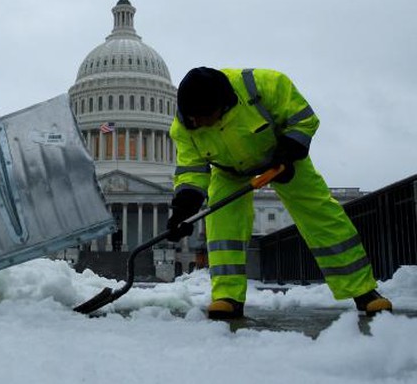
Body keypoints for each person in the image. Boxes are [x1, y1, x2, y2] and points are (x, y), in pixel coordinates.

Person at [166, 67, 393, 319]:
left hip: (281, 157)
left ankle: (364, 291)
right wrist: (184, 210)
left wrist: (288, 153)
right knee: (222, 225)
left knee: (321, 215)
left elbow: (304, 118)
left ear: (222, 104)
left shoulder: (266, 85)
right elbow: (192, 170)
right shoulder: (185, 125)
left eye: (204, 117)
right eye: (192, 118)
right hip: (229, 171)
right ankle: (227, 297)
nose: (197, 124)